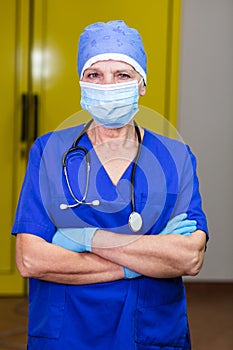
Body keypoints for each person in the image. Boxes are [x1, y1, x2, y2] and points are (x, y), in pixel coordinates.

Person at [13, 20, 208, 350]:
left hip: (149, 331)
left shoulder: (175, 157)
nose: (108, 85)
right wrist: (143, 261)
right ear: (81, 84)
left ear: (141, 84)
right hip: (68, 333)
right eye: (94, 75)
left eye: (122, 75)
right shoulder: (50, 152)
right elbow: (32, 259)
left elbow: (188, 258)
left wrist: (83, 238)